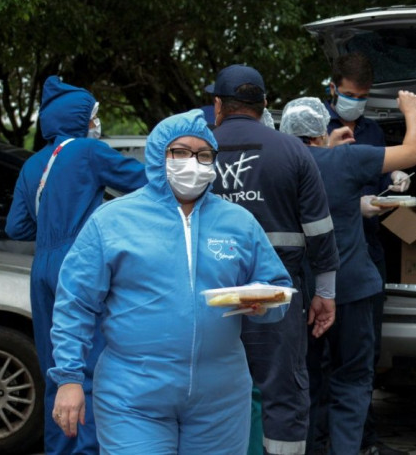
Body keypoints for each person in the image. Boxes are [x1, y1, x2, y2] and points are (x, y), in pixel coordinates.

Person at [48, 109, 292, 454]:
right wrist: (69, 379)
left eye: (203, 155)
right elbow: (76, 303)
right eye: (180, 153)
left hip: (220, 396)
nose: (192, 163)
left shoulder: (239, 222)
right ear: (157, 155)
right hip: (133, 393)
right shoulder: (112, 221)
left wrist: (263, 305)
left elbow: (277, 287)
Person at [5, 75, 147, 455]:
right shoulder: (87, 151)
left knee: (57, 366)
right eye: (94, 115)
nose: (96, 123)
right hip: (81, 261)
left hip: (42, 266)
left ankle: (61, 448)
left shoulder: (32, 164)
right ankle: (88, 448)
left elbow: (16, 226)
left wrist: (52, 217)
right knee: (85, 364)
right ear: (80, 118)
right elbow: (146, 181)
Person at [206, 64, 340, 455]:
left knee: (212, 391)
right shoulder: (293, 150)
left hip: (208, 297)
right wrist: (325, 293)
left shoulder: (196, 151)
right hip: (276, 299)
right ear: (264, 104)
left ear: (218, 105)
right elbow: (319, 231)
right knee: (283, 390)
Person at [279, 94, 416, 455]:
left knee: (305, 382)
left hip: (298, 295)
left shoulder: (277, 165)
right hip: (352, 290)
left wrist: (327, 147)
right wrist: (411, 110)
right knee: (353, 379)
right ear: (320, 130)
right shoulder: (345, 159)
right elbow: (413, 152)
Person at [323, 51, 411, 455]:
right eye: (348, 94)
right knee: (324, 357)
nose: (354, 102)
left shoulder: (374, 131)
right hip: (327, 251)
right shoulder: (312, 127)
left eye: (361, 96)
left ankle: (365, 441)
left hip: (367, 251)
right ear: (332, 87)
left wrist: (393, 181)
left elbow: (382, 169)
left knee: (364, 354)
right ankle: (326, 441)